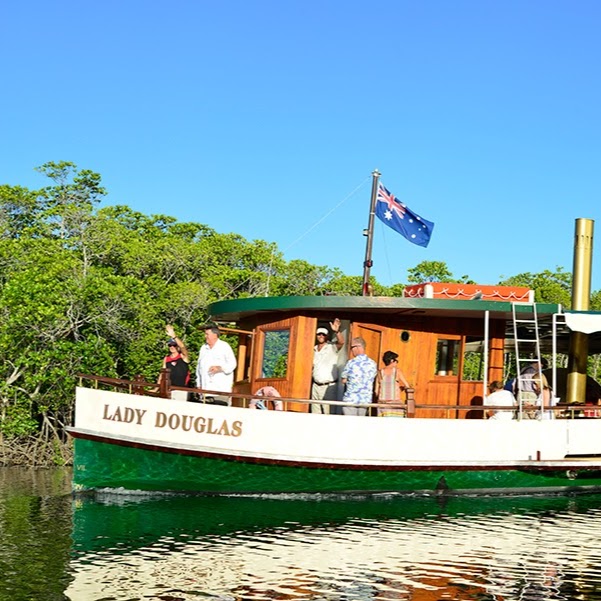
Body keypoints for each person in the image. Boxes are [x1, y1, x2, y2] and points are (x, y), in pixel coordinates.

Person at [196, 323, 237, 405]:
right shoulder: (203, 348)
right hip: (205, 391)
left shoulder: (224, 346)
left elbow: (233, 364)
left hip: (220, 391)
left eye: (207, 334)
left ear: (215, 335)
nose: (205, 336)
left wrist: (220, 368)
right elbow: (198, 367)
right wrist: (198, 384)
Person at [311, 318, 344, 414]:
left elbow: (341, 342)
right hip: (315, 386)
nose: (321, 336)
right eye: (319, 334)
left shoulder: (331, 347)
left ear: (327, 336)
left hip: (328, 387)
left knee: (328, 415)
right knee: (315, 414)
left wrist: (337, 331)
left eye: (323, 334)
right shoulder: (313, 349)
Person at [340, 337, 377, 416]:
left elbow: (343, 380)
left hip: (351, 399)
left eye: (352, 347)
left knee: (350, 426)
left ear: (357, 347)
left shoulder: (351, 363)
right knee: (360, 426)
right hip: (365, 401)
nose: (351, 350)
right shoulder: (373, 364)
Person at [158, 324, 190, 401]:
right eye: (170, 345)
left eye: (174, 345)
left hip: (181, 390)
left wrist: (174, 336)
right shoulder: (166, 358)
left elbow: (182, 347)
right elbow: (162, 374)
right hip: (169, 389)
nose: (172, 347)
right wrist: (156, 388)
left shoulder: (183, 356)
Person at [375, 350, 411, 417]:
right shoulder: (397, 372)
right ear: (392, 360)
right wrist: (402, 388)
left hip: (382, 405)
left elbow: (376, 391)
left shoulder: (379, 373)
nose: (397, 363)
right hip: (395, 405)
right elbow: (407, 385)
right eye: (396, 361)